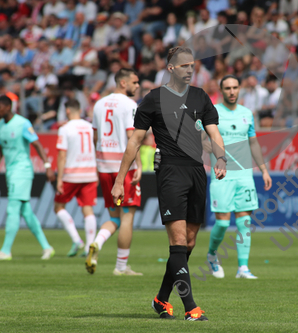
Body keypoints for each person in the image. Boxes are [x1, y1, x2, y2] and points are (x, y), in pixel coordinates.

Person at [111, 46, 227, 321]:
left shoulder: (200, 97)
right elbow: (135, 142)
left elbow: (214, 132)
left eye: (192, 66)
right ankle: (191, 308)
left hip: (197, 172)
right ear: (171, 68)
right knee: (177, 241)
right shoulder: (153, 100)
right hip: (170, 173)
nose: (190, 70)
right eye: (184, 65)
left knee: (188, 243)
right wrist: (119, 180)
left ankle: (161, 299)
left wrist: (221, 158)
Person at [205, 75, 272, 279]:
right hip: (222, 175)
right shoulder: (213, 112)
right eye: (227, 88)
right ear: (221, 90)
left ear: (239, 89)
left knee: (244, 222)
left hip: (245, 174)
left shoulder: (247, 114)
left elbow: (253, 143)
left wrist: (264, 169)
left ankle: (243, 268)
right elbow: (204, 140)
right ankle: (212, 255)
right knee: (223, 223)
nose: (232, 91)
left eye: (235, 87)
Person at [85, 68, 143, 276]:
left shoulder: (99, 104)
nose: (138, 86)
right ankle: (121, 267)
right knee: (127, 216)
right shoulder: (129, 105)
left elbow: (94, 136)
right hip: (123, 168)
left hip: (104, 166)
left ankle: (97, 243)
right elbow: (132, 136)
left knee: (115, 217)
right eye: (135, 83)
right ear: (123, 83)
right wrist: (138, 164)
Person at [0, 95, 56, 261]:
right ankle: (47, 247)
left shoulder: (23, 123)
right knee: (26, 212)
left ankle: (5, 250)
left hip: (22, 171)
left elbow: (37, 144)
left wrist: (47, 167)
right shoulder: (1, 125)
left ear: (8, 107)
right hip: (10, 172)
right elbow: (0, 149)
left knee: (12, 209)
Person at [54, 99, 98, 257]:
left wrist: (59, 178)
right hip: (90, 172)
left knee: (58, 207)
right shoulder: (89, 126)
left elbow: (62, 155)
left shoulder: (65, 129)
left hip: (71, 174)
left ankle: (76, 240)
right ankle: (89, 246)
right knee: (88, 209)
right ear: (80, 110)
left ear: (67, 111)